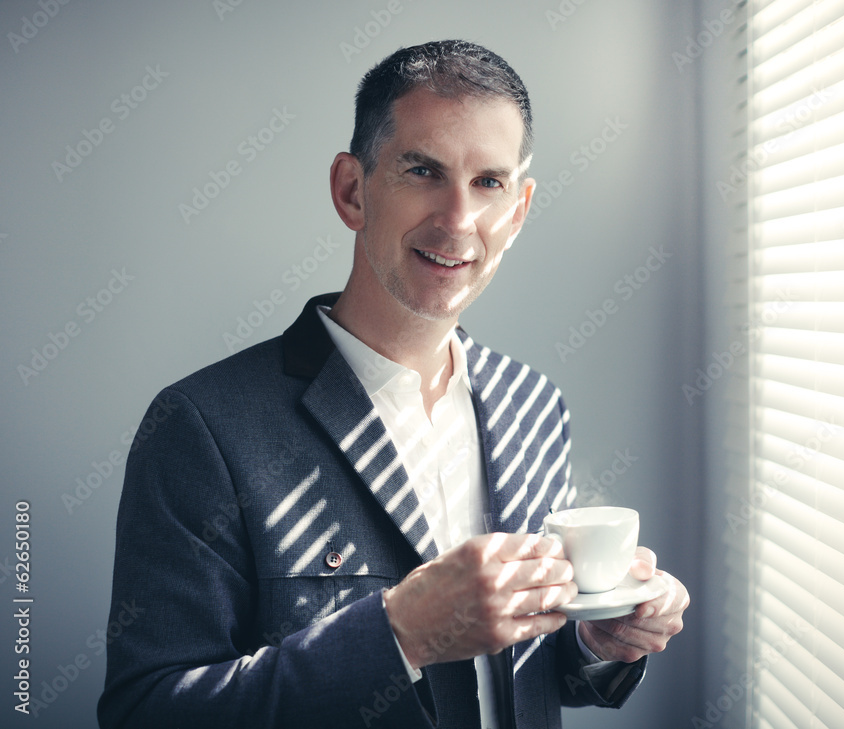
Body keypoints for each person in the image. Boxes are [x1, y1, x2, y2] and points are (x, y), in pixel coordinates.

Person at [98, 40, 689, 729]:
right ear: (353, 189)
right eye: (423, 170)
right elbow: (147, 712)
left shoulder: (535, 405)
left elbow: (529, 667)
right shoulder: (201, 426)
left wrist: (596, 641)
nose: (458, 219)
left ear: (519, 211)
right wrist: (398, 633)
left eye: (489, 183)